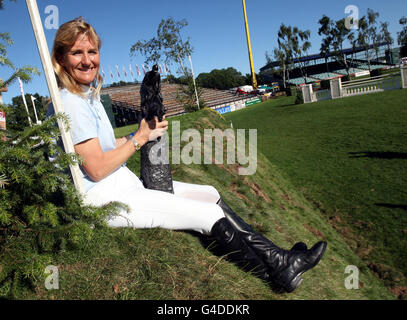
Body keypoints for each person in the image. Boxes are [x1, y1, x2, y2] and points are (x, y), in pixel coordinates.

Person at [48, 17, 327, 293]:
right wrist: (140, 139)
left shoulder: (86, 96)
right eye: (77, 53)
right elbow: (96, 168)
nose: (87, 60)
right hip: (105, 202)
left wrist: (139, 134)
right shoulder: (70, 103)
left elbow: (102, 149)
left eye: (92, 51)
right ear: (61, 58)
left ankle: (280, 261)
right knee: (207, 214)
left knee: (209, 192)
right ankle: (276, 270)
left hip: (122, 186)